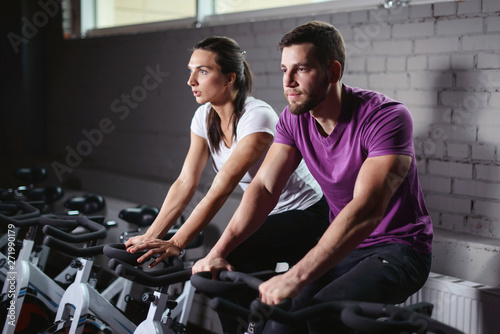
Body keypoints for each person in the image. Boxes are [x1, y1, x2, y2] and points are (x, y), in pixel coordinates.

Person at [193, 21, 433, 334]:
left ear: (332, 72)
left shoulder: (386, 117)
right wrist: (217, 253)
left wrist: (296, 275)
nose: (288, 82)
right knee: (282, 320)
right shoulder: (294, 121)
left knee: (324, 315)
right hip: (345, 248)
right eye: (284, 70)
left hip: (399, 249)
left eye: (301, 69)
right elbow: (264, 188)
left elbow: (366, 209)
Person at [125, 36, 328, 276]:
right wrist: (150, 236)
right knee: (232, 273)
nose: (191, 81)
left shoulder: (257, 117)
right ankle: (261, 311)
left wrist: (177, 243)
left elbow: (222, 187)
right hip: (268, 216)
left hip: (308, 214)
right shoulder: (204, 117)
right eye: (191, 71)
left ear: (229, 78)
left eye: (202, 71)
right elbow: (185, 181)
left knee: (228, 258)